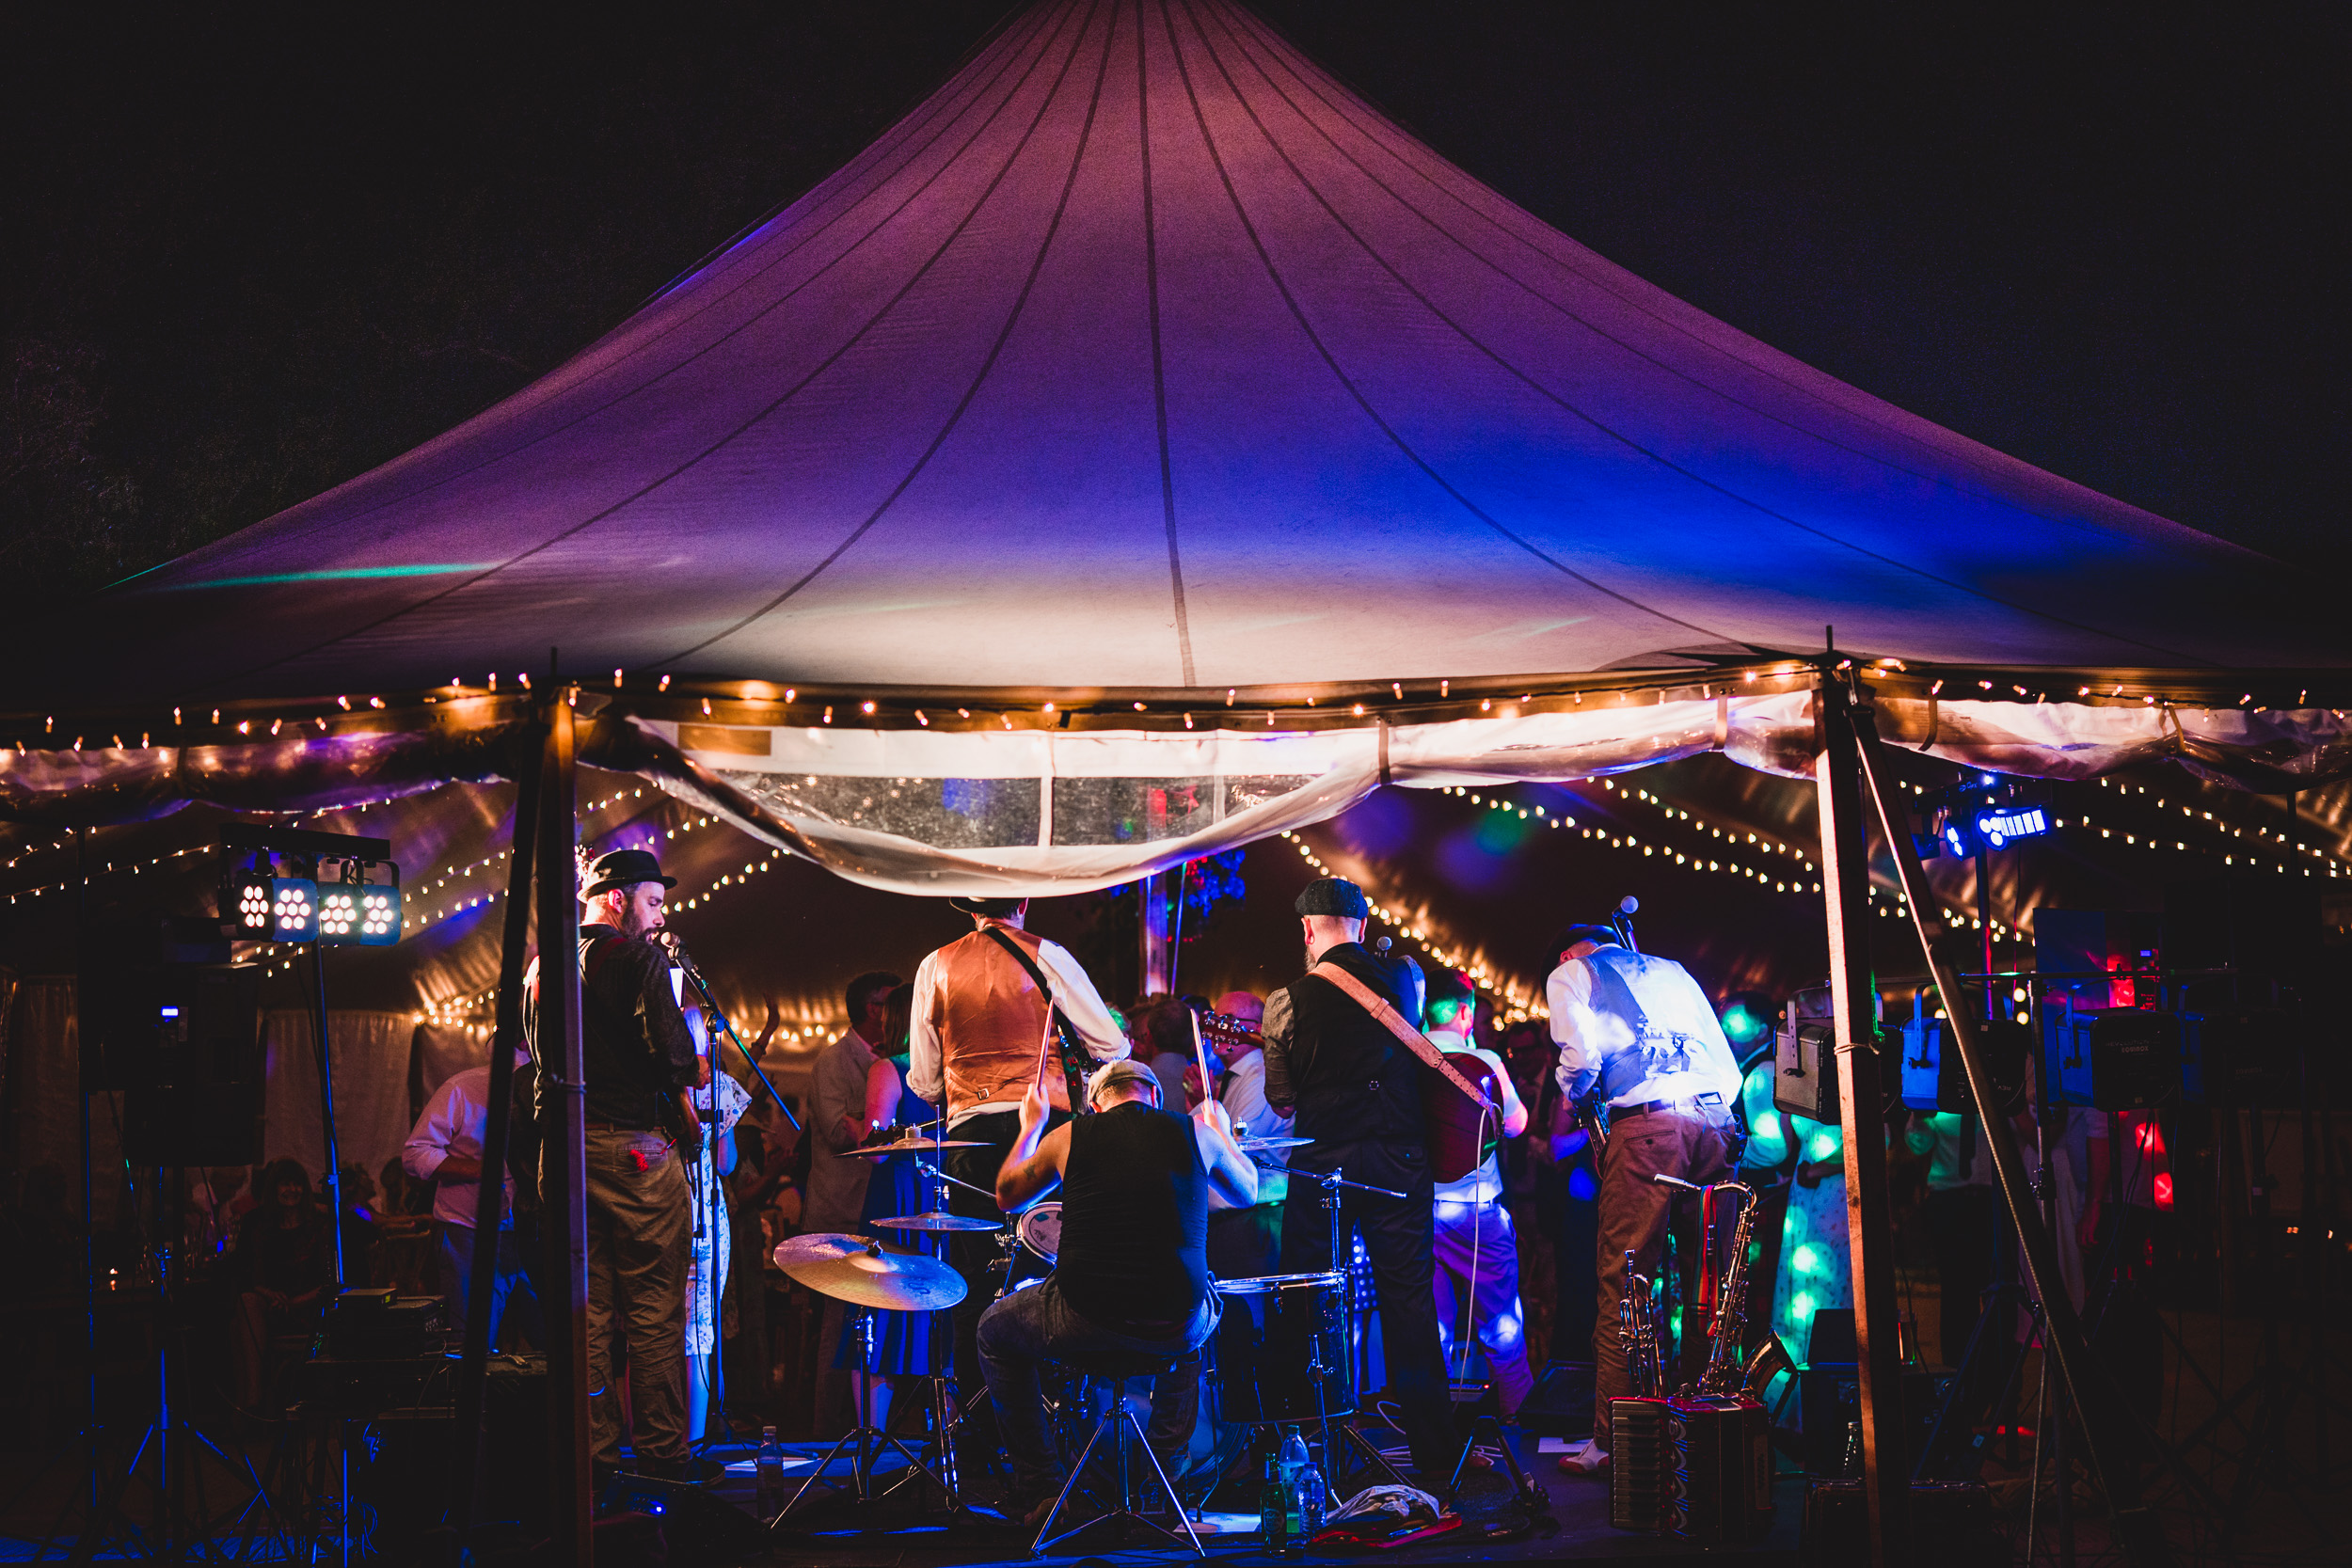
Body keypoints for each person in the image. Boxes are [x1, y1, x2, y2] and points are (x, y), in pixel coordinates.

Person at [979, 1058, 1257, 1520]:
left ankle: (1045, 1489)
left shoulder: (1070, 1136)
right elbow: (1248, 1191)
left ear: (1094, 1103)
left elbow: (1008, 1196)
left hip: (1084, 1318)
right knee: (1199, 1312)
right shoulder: (1197, 1134)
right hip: (1170, 1325)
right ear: (1154, 1096)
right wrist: (1220, 1128)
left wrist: (1031, 1127)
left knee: (993, 1330)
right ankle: (1165, 1486)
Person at [906, 895, 1128, 1439]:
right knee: (1056, 1267)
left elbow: (926, 1080)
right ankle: (1063, 1426)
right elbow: (1111, 1043)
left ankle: (982, 1432)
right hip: (1045, 1126)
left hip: (971, 1137)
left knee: (973, 1280)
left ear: (967, 908)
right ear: (1024, 900)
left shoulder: (934, 965)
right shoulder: (1047, 953)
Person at [1261, 876, 1457, 1486]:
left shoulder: (1285, 1000)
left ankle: (1300, 1447)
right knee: (1409, 1302)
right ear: (1363, 928)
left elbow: (1282, 1098)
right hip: (1399, 1161)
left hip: (1324, 1164)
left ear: (1307, 929)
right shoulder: (1406, 977)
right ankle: (1434, 1456)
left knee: (1307, 1294)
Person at [527, 846, 700, 1488]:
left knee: (588, 1315)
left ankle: (592, 1464)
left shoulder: (541, 964)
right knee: (654, 1310)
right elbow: (679, 1061)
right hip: (633, 1149)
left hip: (564, 1151)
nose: (659, 916)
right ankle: (662, 1461)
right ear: (618, 898)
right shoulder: (638, 958)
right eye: (653, 902)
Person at [1546, 922, 1742, 1475]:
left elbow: (1581, 1058)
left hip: (1648, 1131)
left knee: (1625, 1283)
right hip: (1714, 1119)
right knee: (1709, 1285)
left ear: (1569, 953)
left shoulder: (1572, 973)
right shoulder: (1674, 971)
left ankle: (1615, 1444)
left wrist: (1574, 1096)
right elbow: (1726, 1068)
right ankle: (1707, 1426)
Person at [1422, 969, 1535, 1417]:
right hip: (1475, 1213)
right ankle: (1517, 1426)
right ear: (1466, 1012)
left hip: (1419, 1213)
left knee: (1434, 1330)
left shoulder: (1409, 1056)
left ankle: (1435, 1435)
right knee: (1501, 1325)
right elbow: (1516, 1123)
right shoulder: (1483, 1060)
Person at [805, 969, 903, 1434]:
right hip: (840, 1210)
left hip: (879, 1209)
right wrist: (879, 1116)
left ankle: (872, 1430)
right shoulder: (833, 1061)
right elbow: (840, 1131)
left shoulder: (895, 1061)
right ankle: (829, 1431)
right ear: (873, 1008)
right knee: (838, 1326)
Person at [845, 983, 944, 1432]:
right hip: (939, 1194)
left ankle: (873, 1434)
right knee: (939, 1307)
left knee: (879, 1308)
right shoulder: (950, 1070)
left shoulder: (888, 1068)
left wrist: (855, 1127)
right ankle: (947, 1438)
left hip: (899, 1194)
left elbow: (879, 1146)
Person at [403, 1049, 542, 1351]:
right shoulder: (462, 1089)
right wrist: (482, 1167)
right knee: (468, 1346)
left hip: (533, 1232)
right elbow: (415, 1154)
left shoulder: (552, 1090)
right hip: (469, 1234)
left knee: (552, 1340)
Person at [685, 1006, 750, 1443]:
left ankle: (645, 1440)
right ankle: (692, 1441)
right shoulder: (719, 1087)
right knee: (698, 1332)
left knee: (644, 1329)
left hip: (652, 1208)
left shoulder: (644, 1084)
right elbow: (726, 1163)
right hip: (705, 1214)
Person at [231, 1159, 334, 1414]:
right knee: (244, 1305)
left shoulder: (317, 1226)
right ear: (274, 1189)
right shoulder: (260, 1225)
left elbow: (329, 1281)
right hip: (271, 1306)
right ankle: (253, 1401)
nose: (292, 1190)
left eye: (297, 1184)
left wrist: (294, 1302)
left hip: (310, 1306)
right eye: (285, 1184)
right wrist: (268, 1294)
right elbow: (249, 1275)